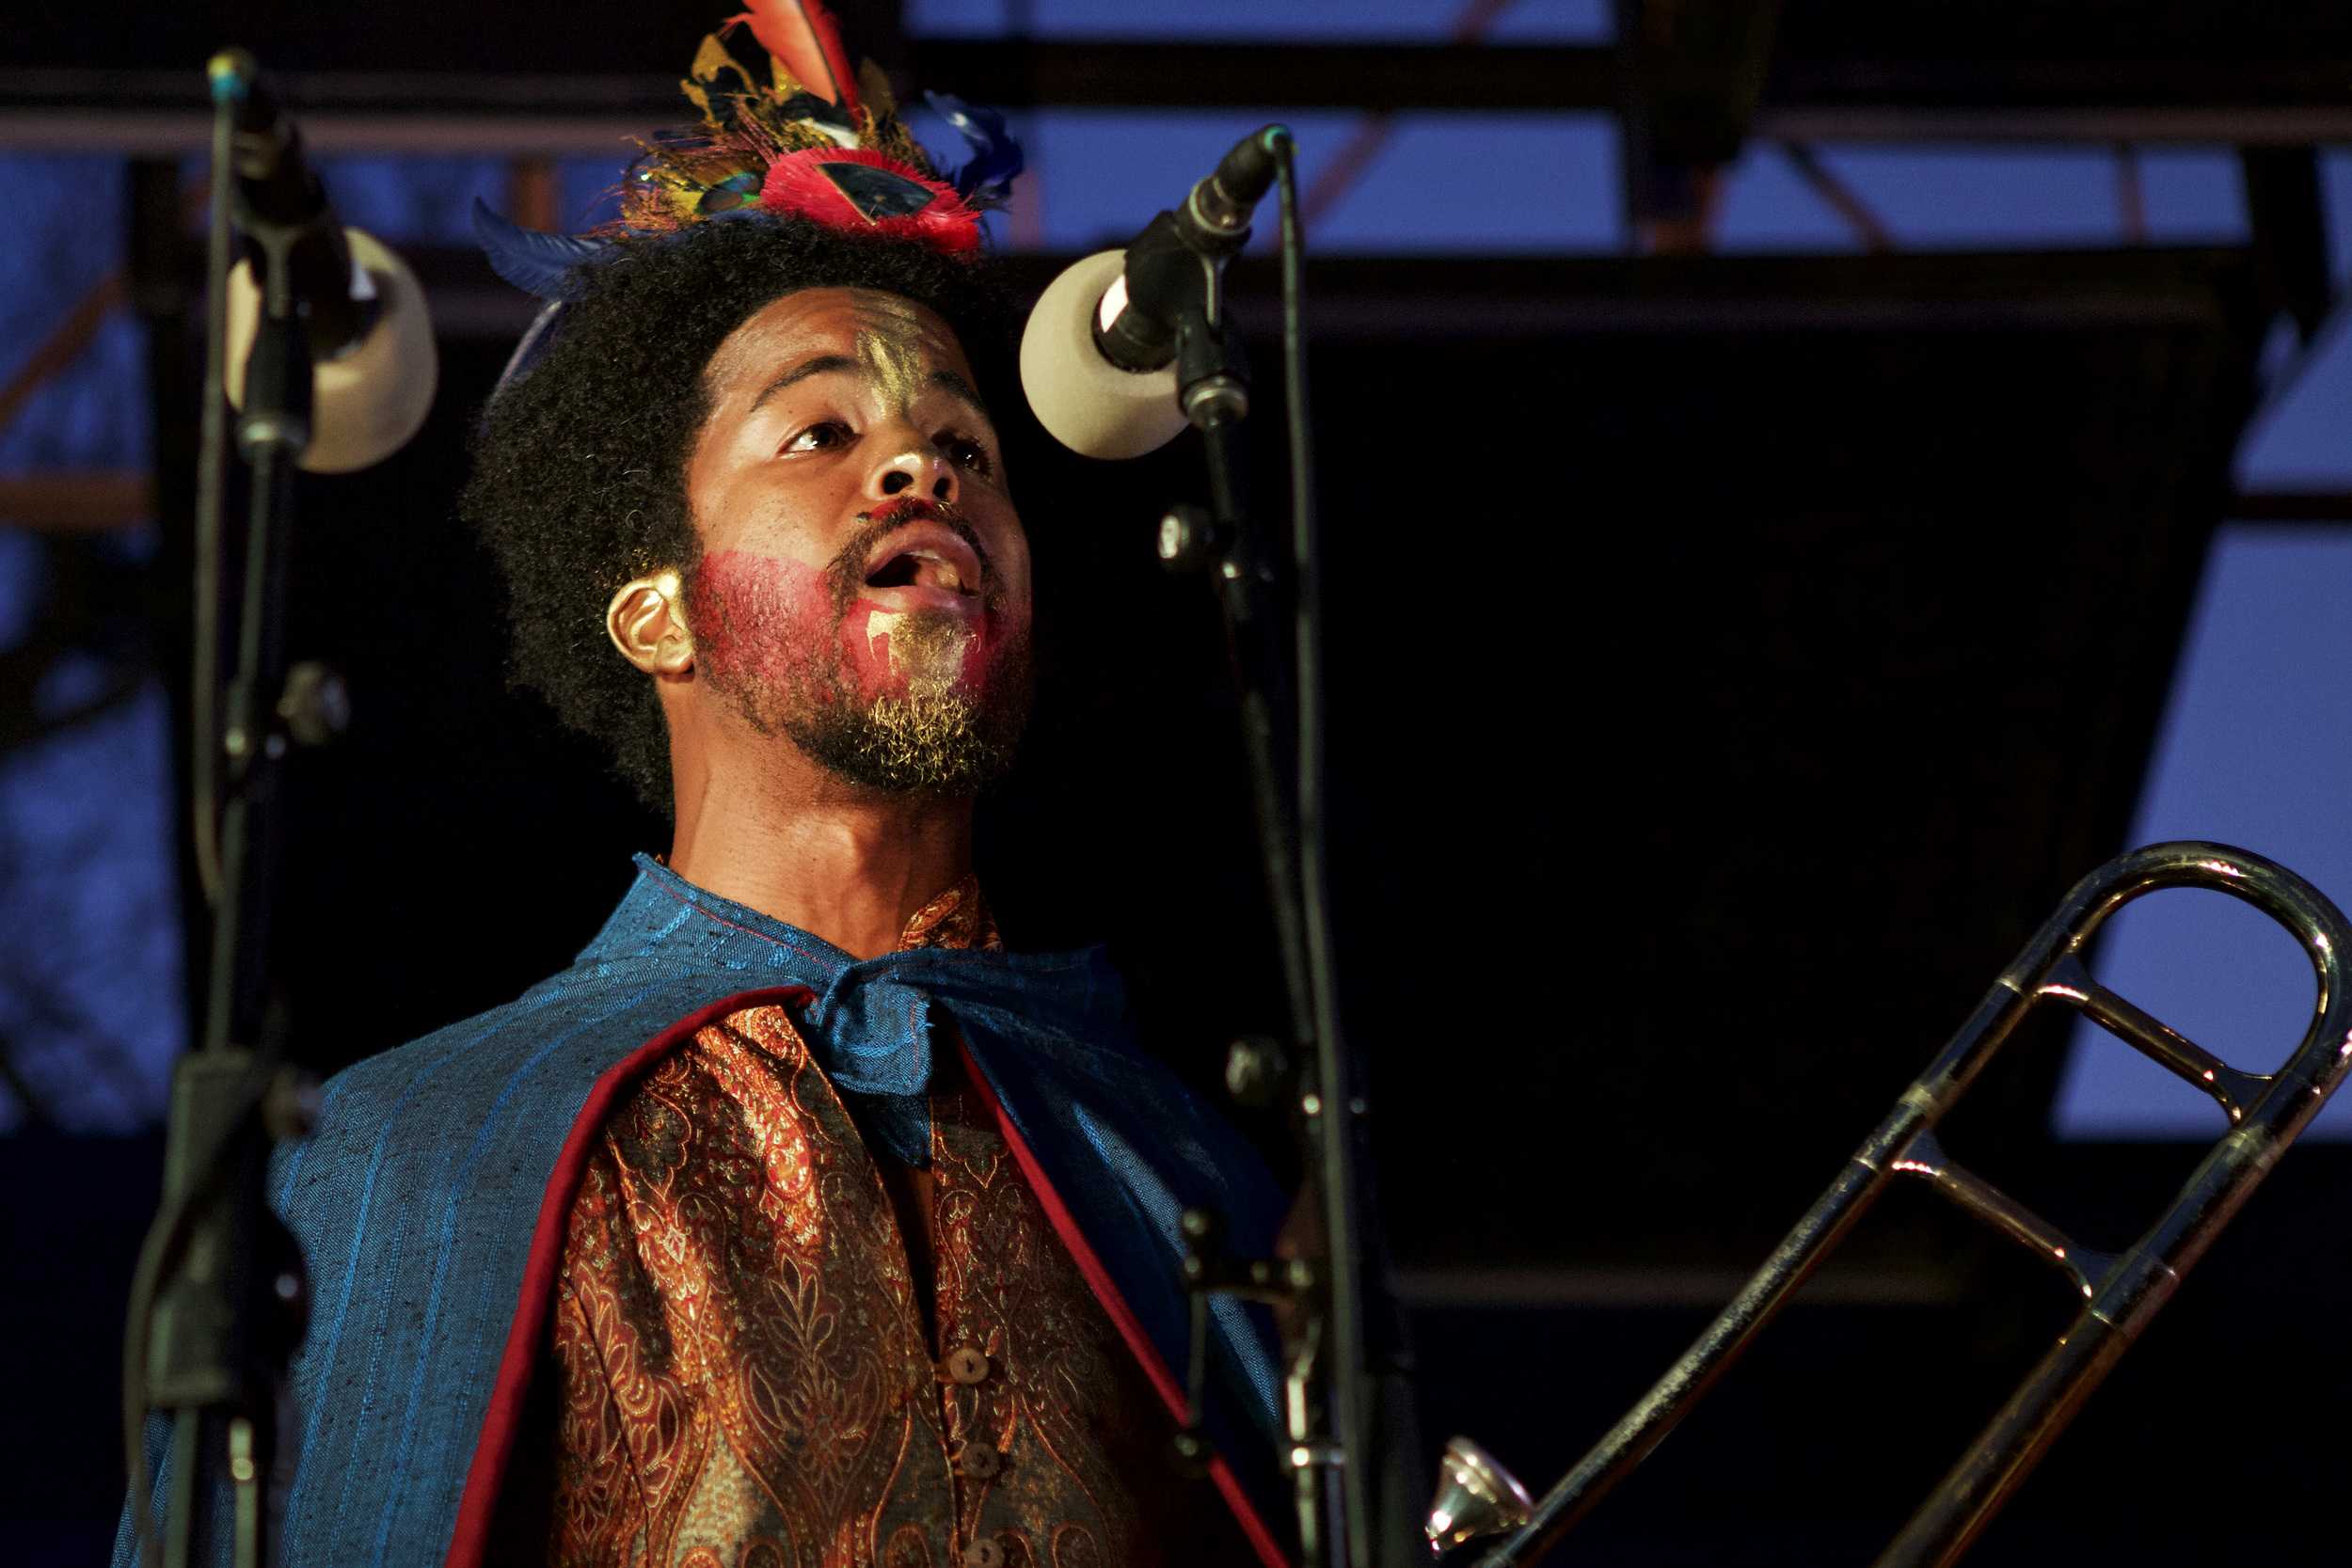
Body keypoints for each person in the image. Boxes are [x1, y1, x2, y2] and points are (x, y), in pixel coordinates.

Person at [118, 6, 1287, 1565]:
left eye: (967, 444)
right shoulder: (402, 1151)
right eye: (821, 427)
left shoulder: (1181, 1165)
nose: (923, 465)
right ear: (653, 613)